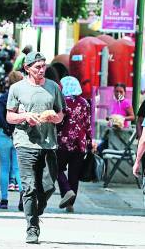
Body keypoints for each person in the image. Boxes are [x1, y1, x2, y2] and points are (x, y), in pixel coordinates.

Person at [6, 51, 65, 244]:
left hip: (48, 143)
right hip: (25, 142)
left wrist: (55, 118)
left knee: (48, 186)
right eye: (37, 67)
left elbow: (60, 113)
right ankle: (32, 229)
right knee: (29, 187)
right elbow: (10, 116)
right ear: (27, 68)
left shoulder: (53, 87)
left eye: (43, 66)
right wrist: (25, 117)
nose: (41, 70)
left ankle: (36, 209)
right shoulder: (17, 88)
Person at [56, 76, 92, 213]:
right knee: (74, 174)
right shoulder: (85, 103)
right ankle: (70, 204)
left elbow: (59, 123)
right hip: (80, 143)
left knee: (56, 168)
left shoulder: (62, 102)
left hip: (64, 142)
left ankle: (66, 190)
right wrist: (89, 142)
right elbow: (88, 125)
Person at [0, 71, 23, 210]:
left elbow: (0, 117)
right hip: (19, 136)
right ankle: (22, 198)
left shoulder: (3, 98)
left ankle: (4, 199)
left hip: (4, 135)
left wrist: (7, 129)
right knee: (18, 169)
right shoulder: (24, 99)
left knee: (4, 168)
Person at [97, 83, 135, 155]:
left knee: (101, 148)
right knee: (100, 148)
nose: (118, 93)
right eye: (116, 91)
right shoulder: (114, 102)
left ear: (124, 93)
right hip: (111, 131)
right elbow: (112, 116)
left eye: (121, 91)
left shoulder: (126, 102)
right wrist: (109, 118)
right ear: (114, 92)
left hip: (120, 133)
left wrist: (121, 118)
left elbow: (132, 117)